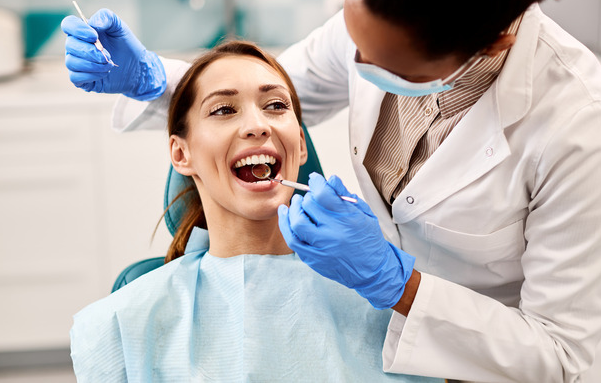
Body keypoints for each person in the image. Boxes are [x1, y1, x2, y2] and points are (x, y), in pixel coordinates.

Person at [62, 0, 601, 381]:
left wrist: (399, 286)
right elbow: (271, 85)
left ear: (488, 42)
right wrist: (152, 82)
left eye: (382, 59)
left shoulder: (580, 131)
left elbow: (559, 354)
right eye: (352, 36)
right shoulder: (127, 326)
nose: (355, 58)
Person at [68, 40, 442, 383]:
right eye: (224, 109)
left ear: (299, 142)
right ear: (181, 154)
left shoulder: (395, 305)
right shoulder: (120, 326)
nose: (257, 125)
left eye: (276, 106)